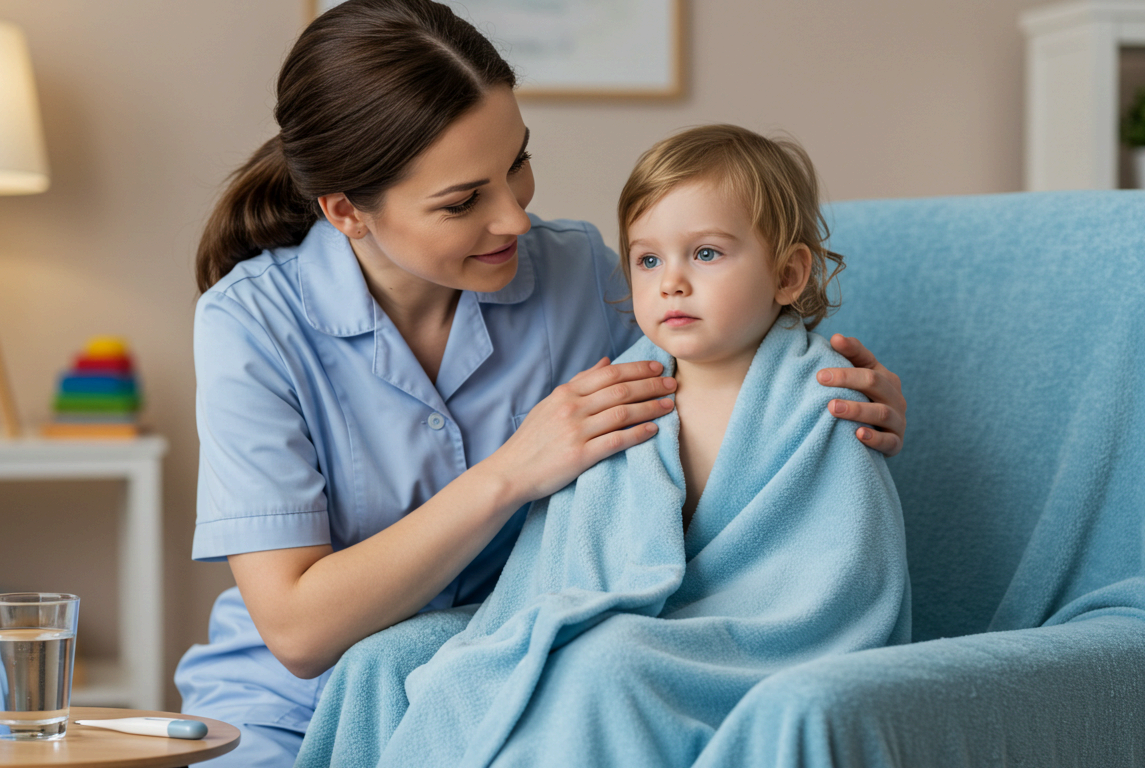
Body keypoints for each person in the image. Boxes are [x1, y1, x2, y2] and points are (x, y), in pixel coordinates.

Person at [175, 2, 907, 765]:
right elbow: (298, 632)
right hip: (296, 703)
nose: (516, 220)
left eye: (517, 164)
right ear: (346, 212)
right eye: (463, 201)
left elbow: (713, 391)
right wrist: (511, 473)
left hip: (510, 665)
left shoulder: (576, 271)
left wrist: (824, 392)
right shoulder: (250, 322)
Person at [295, 124, 911, 768]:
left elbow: (842, 584)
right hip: (629, 620)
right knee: (386, 663)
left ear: (787, 275)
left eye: (705, 254)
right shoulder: (616, 397)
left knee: (604, 661)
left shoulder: (820, 407)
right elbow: (564, 568)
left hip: (747, 643)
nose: (671, 281)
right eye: (648, 260)